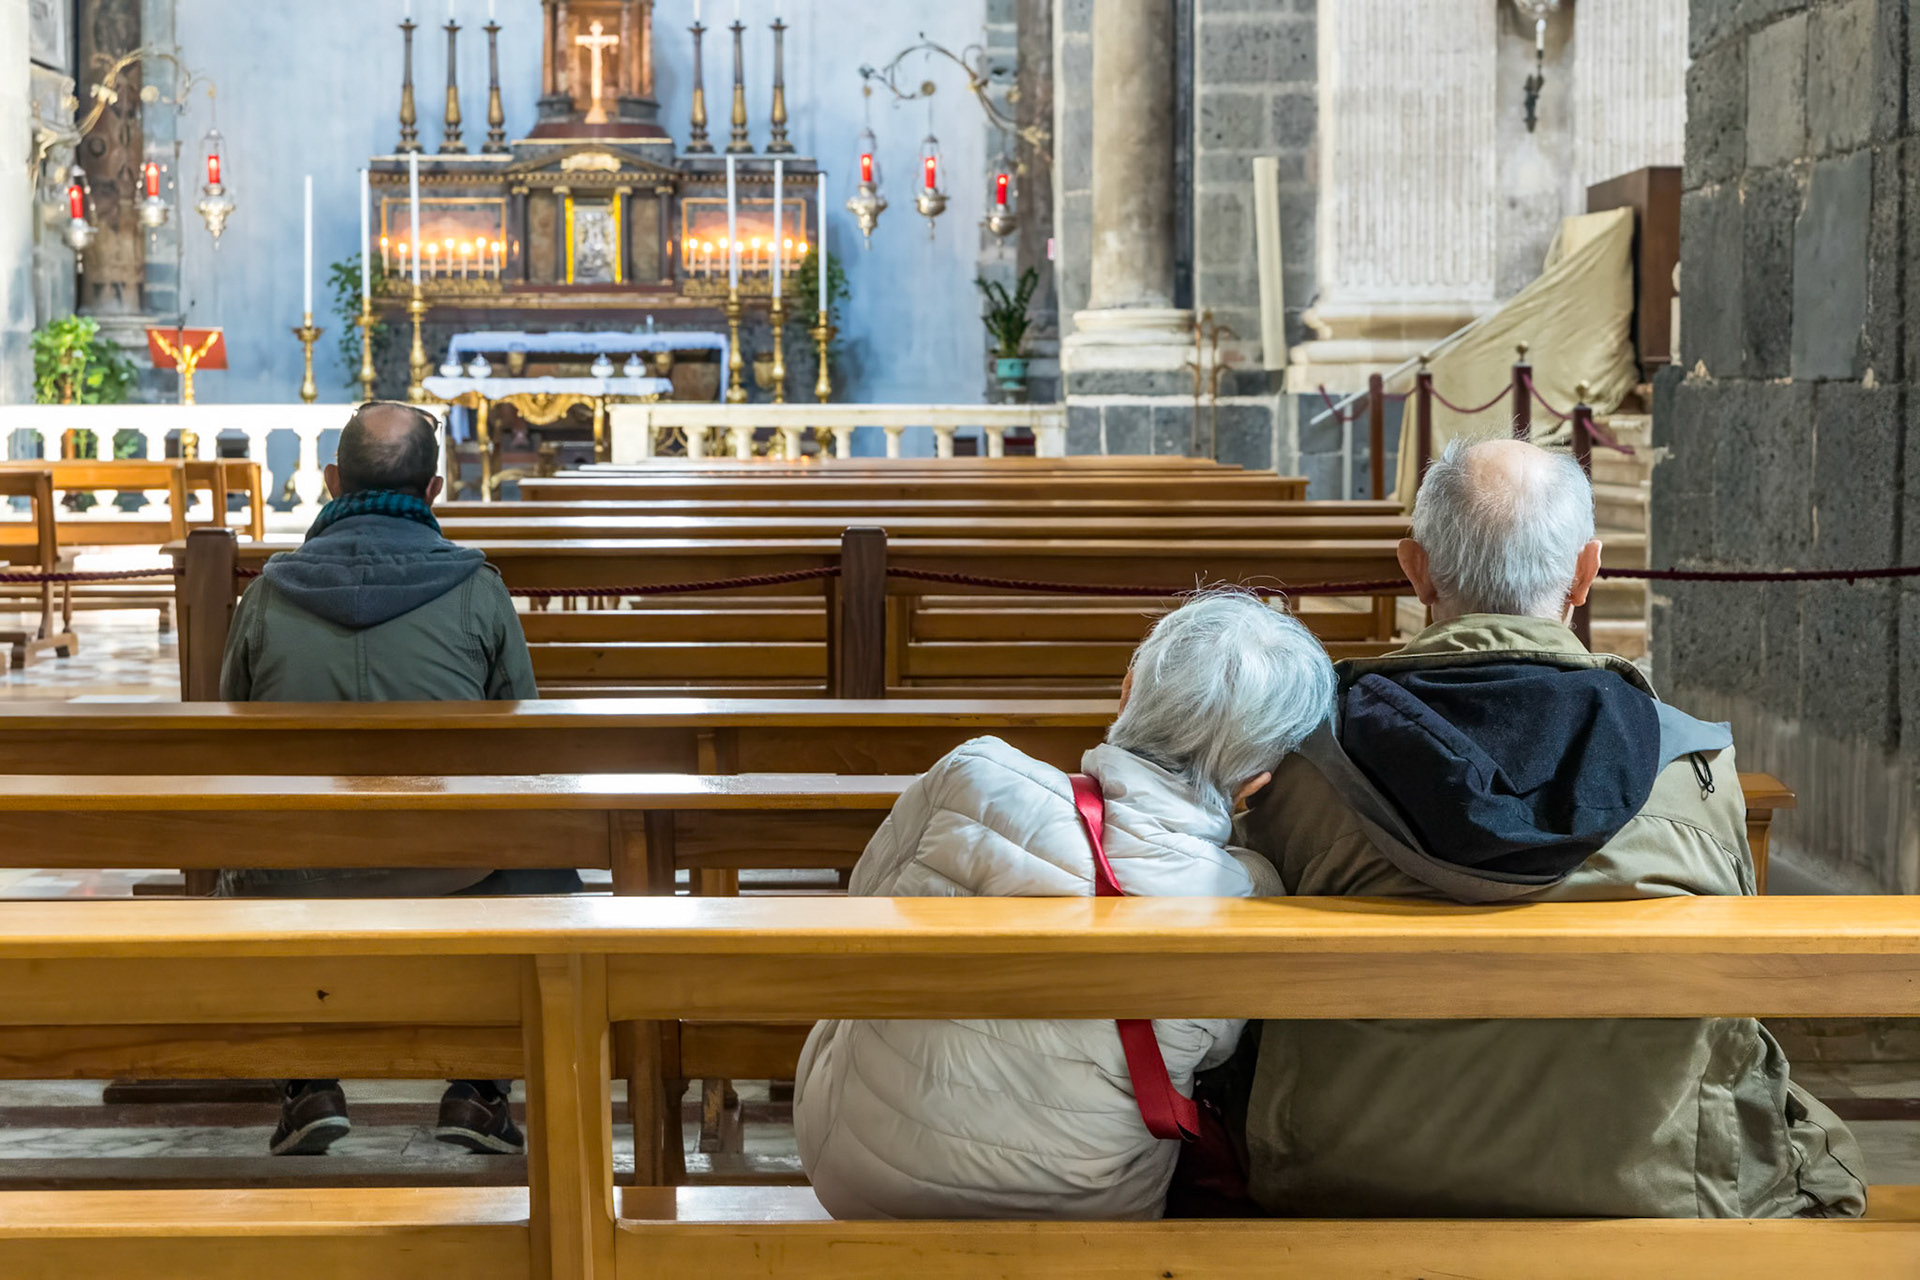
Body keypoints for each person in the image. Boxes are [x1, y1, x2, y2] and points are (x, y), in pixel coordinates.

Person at [1235, 436, 1866, 1219]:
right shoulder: (1692, 771)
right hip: (1664, 1192)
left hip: (1339, 1182)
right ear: (1585, 571)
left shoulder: (1303, 766)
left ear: (1416, 570)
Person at [793, 592, 1336, 1219]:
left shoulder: (974, 777)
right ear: (1257, 781)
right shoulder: (1245, 895)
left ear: (1127, 692)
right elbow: (1213, 1054)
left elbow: (866, 906)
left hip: (860, 1176)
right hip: (1092, 1210)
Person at [218, 400, 558, 1159]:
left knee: (248, 855)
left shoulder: (267, 593)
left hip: (294, 874)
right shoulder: (478, 588)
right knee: (545, 858)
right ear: (433, 490)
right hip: (454, 870)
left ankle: (306, 1086)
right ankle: (479, 1090)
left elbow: (231, 740)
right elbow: (525, 741)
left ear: (332, 481)